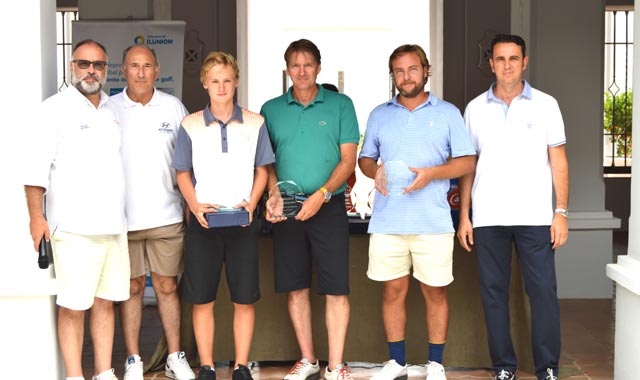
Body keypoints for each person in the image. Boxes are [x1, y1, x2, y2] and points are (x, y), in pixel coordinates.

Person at [358, 44, 476, 380]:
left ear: (426, 71)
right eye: (399, 70)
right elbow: (366, 159)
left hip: (433, 221)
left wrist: (431, 174)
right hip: (388, 220)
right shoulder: (379, 114)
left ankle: (435, 364)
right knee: (392, 292)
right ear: (392, 75)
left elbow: (467, 161)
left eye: (413, 69)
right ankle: (396, 363)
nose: (406, 76)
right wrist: (373, 170)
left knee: (434, 292)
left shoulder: (448, 113)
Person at [457, 34, 569, 380]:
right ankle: (503, 367)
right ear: (491, 64)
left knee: (543, 294)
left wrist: (561, 212)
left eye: (513, 58)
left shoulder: (546, 105)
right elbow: (467, 166)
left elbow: (559, 161)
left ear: (525, 62)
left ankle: (547, 367)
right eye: (500, 59)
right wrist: (465, 216)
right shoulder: (475, 109)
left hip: (536, 217)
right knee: (493, 296)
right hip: (488, 218)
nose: (507, 65)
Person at [23, 39, 128, 380]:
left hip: (113, 225)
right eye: (84, 64)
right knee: (72, 306)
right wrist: (36, 217)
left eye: (98, 64)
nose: (91, 71)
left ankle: (103, 372)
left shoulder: (113, 109)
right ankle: (73, 375)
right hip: (72, 229)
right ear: (72, 67)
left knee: (105, 302)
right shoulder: (53, 109)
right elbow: (34, 171)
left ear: (107, 69)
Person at [260, 38, 360, 380]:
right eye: (295, 65)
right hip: (287, 205)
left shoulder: (340, 104)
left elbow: (349, 161)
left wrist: (322, 194)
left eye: (308, 64)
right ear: (287, 70)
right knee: (296, 286)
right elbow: (265, 161)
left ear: (318, 67)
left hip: (328, 204)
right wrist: (273, 191)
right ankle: (308, 359)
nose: (301, 71)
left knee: (336, 288)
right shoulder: (270, 109)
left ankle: (335, 365)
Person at [172, 51, 274, 380]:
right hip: (204, 223)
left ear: (236, 82)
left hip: (242, 221)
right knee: (202, 299)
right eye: (214, 80)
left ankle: (241, 365)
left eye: (227, 80)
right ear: (204, 83)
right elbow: (182, 173)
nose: (221, 86)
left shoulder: (256, 122)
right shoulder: (189, 125)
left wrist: (252, 202)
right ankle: (206, 365)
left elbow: (263, 169)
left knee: (244, 298)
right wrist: (195, 205)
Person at [109, 44, 195, 380]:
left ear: (157, 70)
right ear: (124, 70)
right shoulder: (109, 108)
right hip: (122, 218)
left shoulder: (173, 108)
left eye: (147, 66)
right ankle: (133, 359)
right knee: (130, 288)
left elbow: (188, 162)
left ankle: (175, 356)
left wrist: (190, 204)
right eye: (134, 65)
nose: (141, 72)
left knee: (167, 286)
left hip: (167, 215)